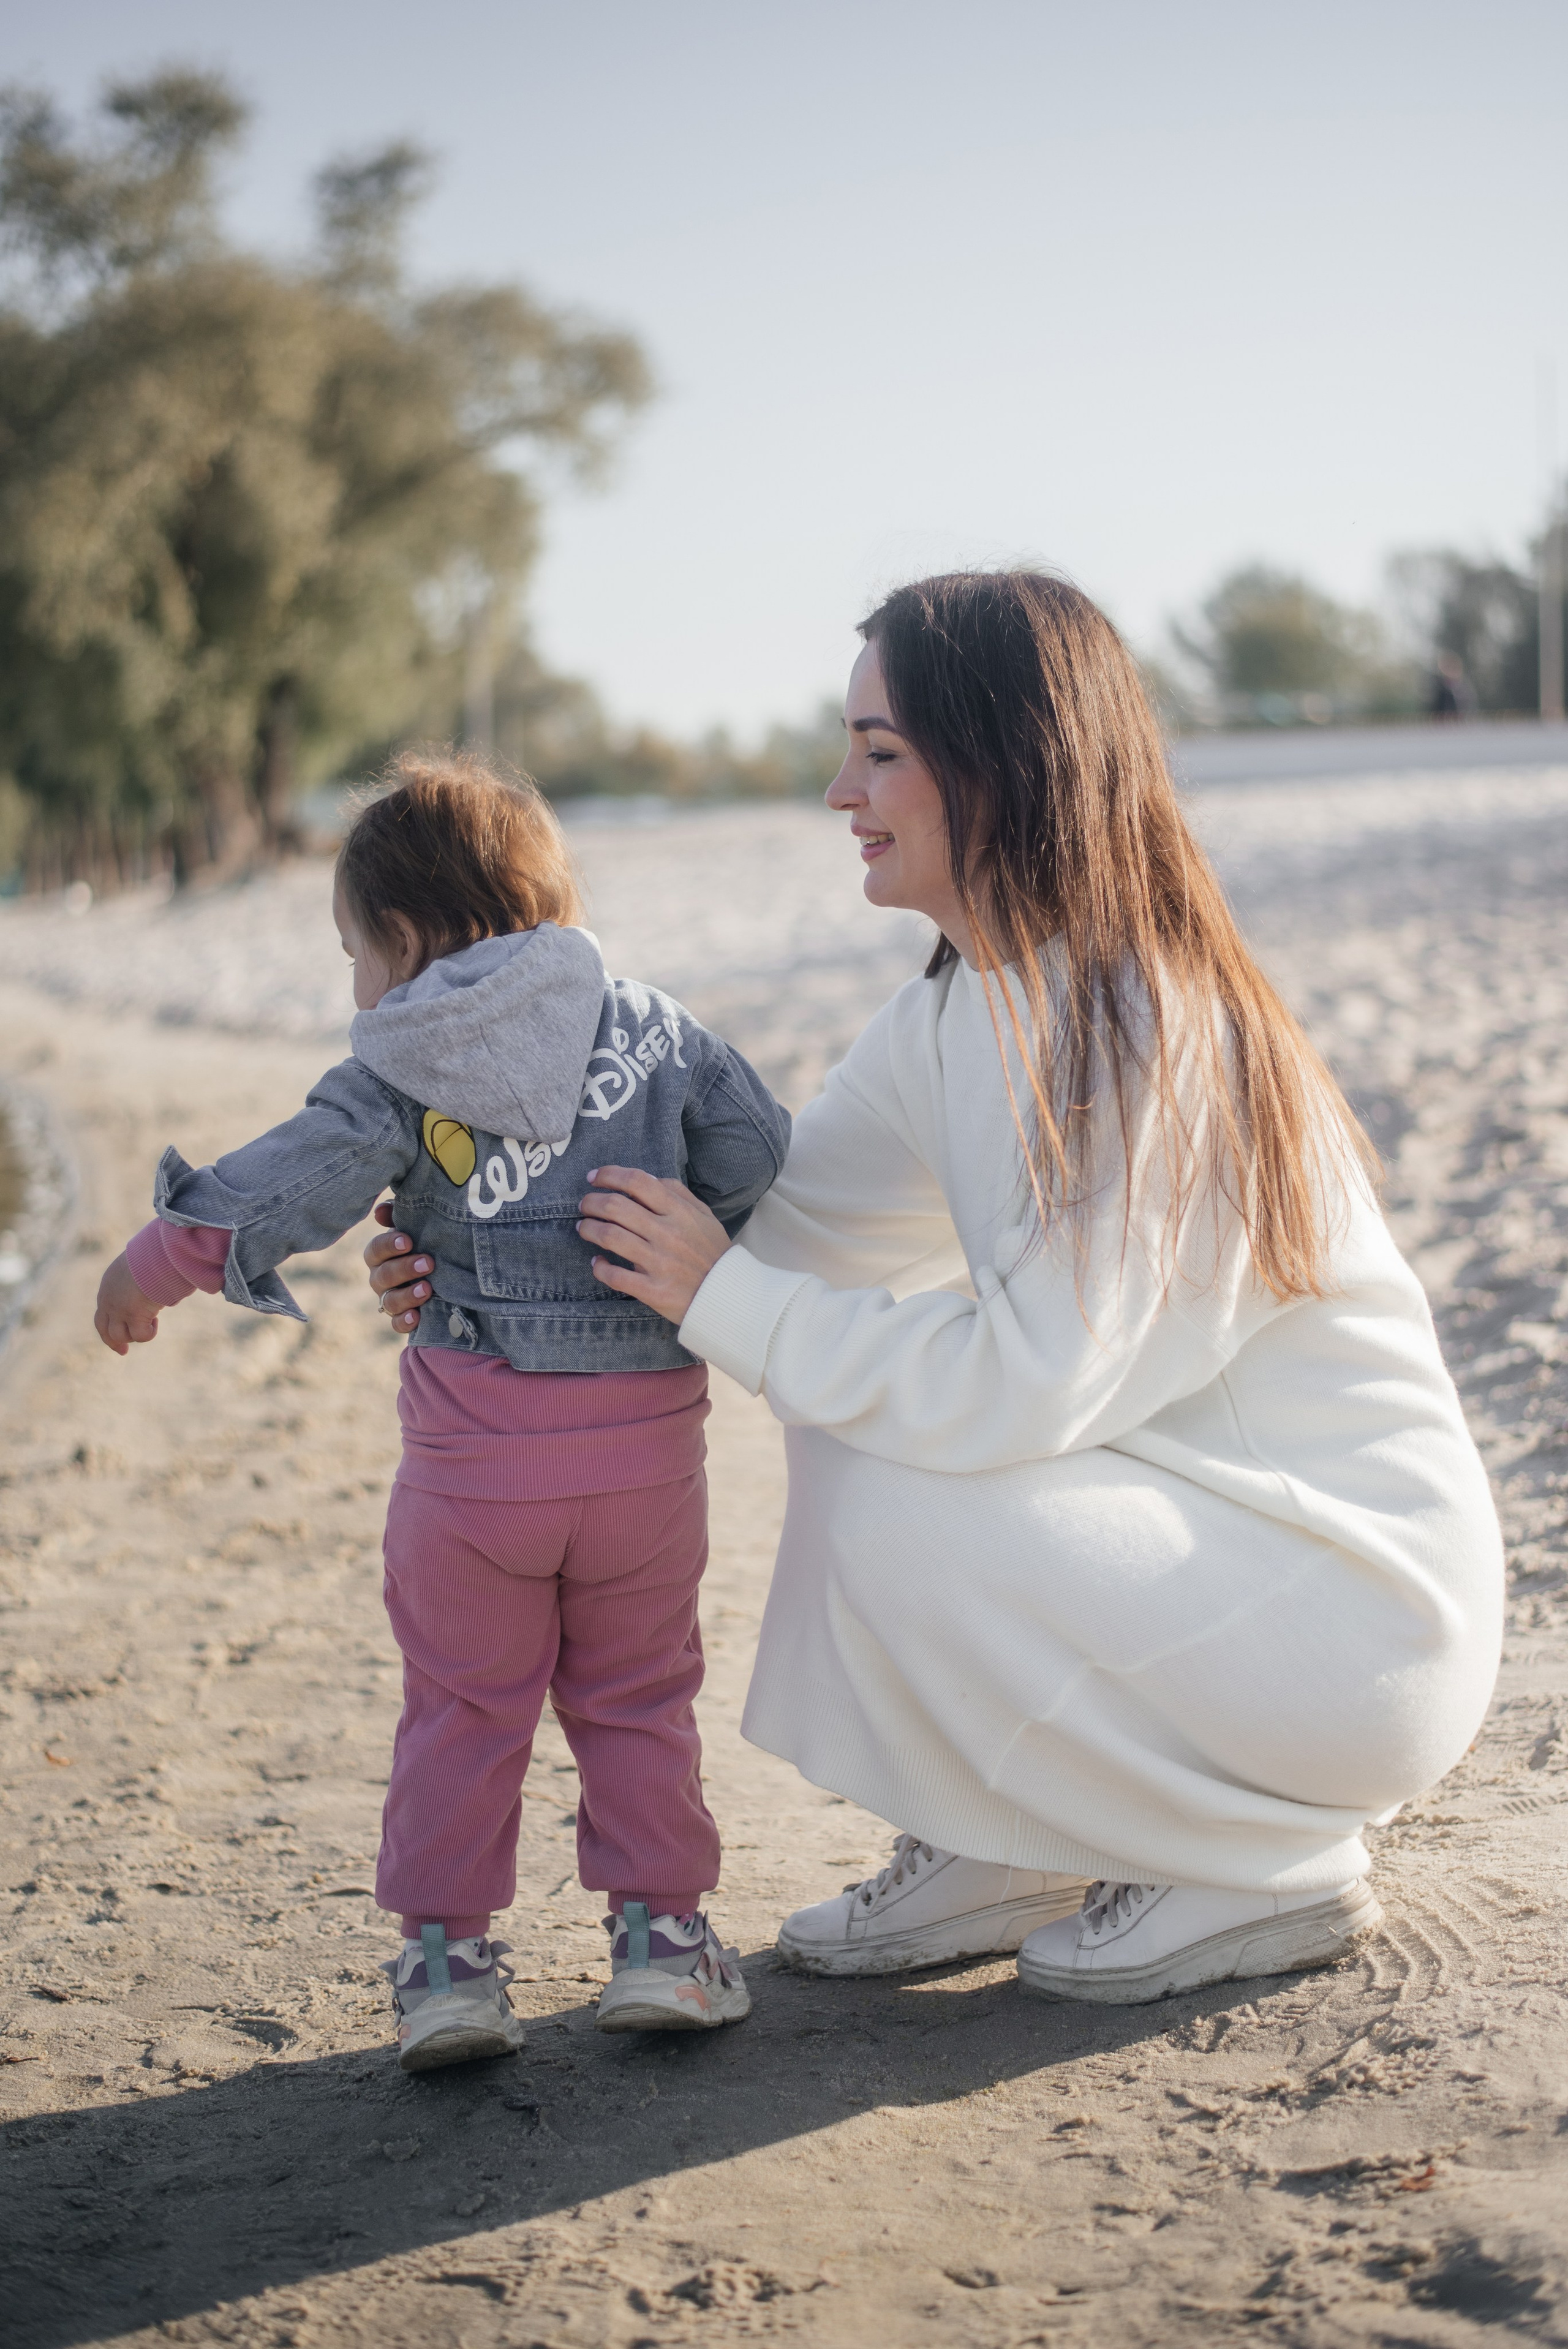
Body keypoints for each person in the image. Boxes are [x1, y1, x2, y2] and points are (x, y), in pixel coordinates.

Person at [369, 576, 1503, 2008]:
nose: (841, 788)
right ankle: (1015, 1829)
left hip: (1354, 1617)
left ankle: (1259, 1866)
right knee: (843, 1399)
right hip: (1205, 1569)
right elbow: (765, 1246)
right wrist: (485, 1263)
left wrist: (746, 1308)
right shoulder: (956, 1008)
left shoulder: (1146, 1019)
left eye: (880, 749)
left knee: (884, 1443)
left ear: (1004, 761)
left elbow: (1025, 1379)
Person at [94, 752, 790, 2067]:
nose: (355, 980)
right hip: (645, 1464)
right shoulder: (650, 1025)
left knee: (463, 1704)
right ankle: (662, 1940)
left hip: (475, 1472)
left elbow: (282, 1183)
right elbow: (755, 1152)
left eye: (350, 949)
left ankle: (448, 1967)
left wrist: (152, 1264)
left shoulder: (399, 1054)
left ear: (404, 939)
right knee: (641, 1692)